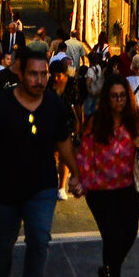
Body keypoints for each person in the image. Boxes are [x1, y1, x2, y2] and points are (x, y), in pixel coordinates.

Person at [0, 45, 83, 277]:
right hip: (3, 188)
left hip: (41, 186)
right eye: (34, 74)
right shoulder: (1, 105)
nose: (40, 80)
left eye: (43, 74)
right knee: (3, 244)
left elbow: (64, 142)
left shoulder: (53, 104)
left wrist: (77, 173)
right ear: (20, 72)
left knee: (40, 238)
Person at [77, 77, 139, 277]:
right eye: (114, 96)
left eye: (122, 96)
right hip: (100, 189)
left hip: (129, 187)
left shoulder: (137, 118)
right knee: (112, 236)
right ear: (107, 98)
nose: (119, 101)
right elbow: (85, 152)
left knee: (129, 234)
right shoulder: (96, 121)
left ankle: (107, 271)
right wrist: (81, 179)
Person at [48, 58, 85, 199]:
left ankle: (61, 187)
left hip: (68, 121)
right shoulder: (49, 84)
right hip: (51, 122)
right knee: (53, 155)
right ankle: (51, 183)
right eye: (54, 75)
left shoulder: (72, 83)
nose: (57, 78)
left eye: (60, 76)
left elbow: (77, 104)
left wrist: (80, 123)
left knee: (65, 154)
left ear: (65, 75)